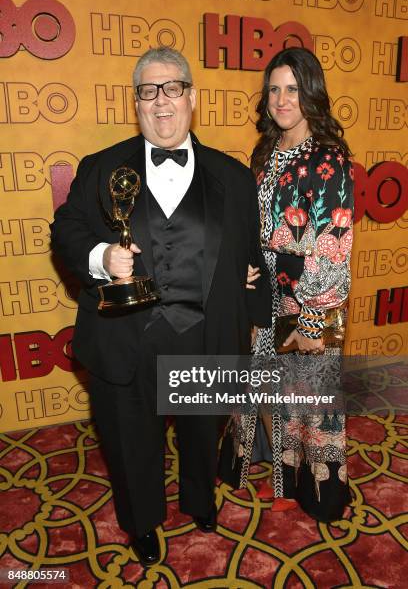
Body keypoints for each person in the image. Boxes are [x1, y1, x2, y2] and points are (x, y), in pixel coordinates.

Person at [50, 47, 270, 566]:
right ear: (137, 102)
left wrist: (249, 279)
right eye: (149, 91)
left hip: (204, 336)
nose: (161, 102)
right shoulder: (102, 167)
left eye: (172, 88)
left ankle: (200, 499)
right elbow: (66, 231)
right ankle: (142, 520)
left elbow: (250, 250)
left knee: (201, 429)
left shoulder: (234, 178)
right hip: (128, 338)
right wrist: (102, 255)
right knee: (131, 442)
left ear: (192, 97)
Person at [242, 47, 354, 521]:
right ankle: (284, 476)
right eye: (274, 89)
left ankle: (324, 495)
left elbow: (334, 239)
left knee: (314, 403)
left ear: (310, 93)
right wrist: (245, 264)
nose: (281, 99)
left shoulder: (329, 158)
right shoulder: (265, 151)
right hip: (267, 295)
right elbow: (255, 222)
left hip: (311, 297)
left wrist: (313, 316)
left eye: (292, 88)